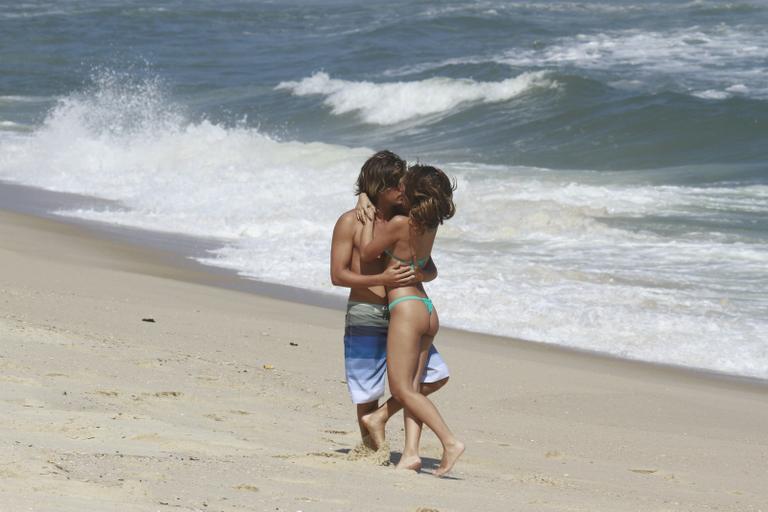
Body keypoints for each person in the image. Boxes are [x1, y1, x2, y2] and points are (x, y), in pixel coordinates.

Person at [329, 151, 450, 463]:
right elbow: (337, 274)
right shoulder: (350, 222)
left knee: (432, 376)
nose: (404, 188)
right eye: (399, 184)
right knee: (366, 388)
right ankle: (372, 449)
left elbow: (429, 266)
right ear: (383, 189)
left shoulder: (407, 220)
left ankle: (381, 419)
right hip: (366, 310)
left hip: (403, 312)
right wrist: (382, 276)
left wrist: (422, 274)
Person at [358, 164, 464, 477]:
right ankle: (410, 455)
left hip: (405, 307)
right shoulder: (429, 225)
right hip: (426, 307)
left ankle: (450, 441)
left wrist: (365, 208)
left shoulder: (401, 223)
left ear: (409, 192)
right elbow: (427, 266)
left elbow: (367, 252)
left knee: (402, 389)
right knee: (413, 387)